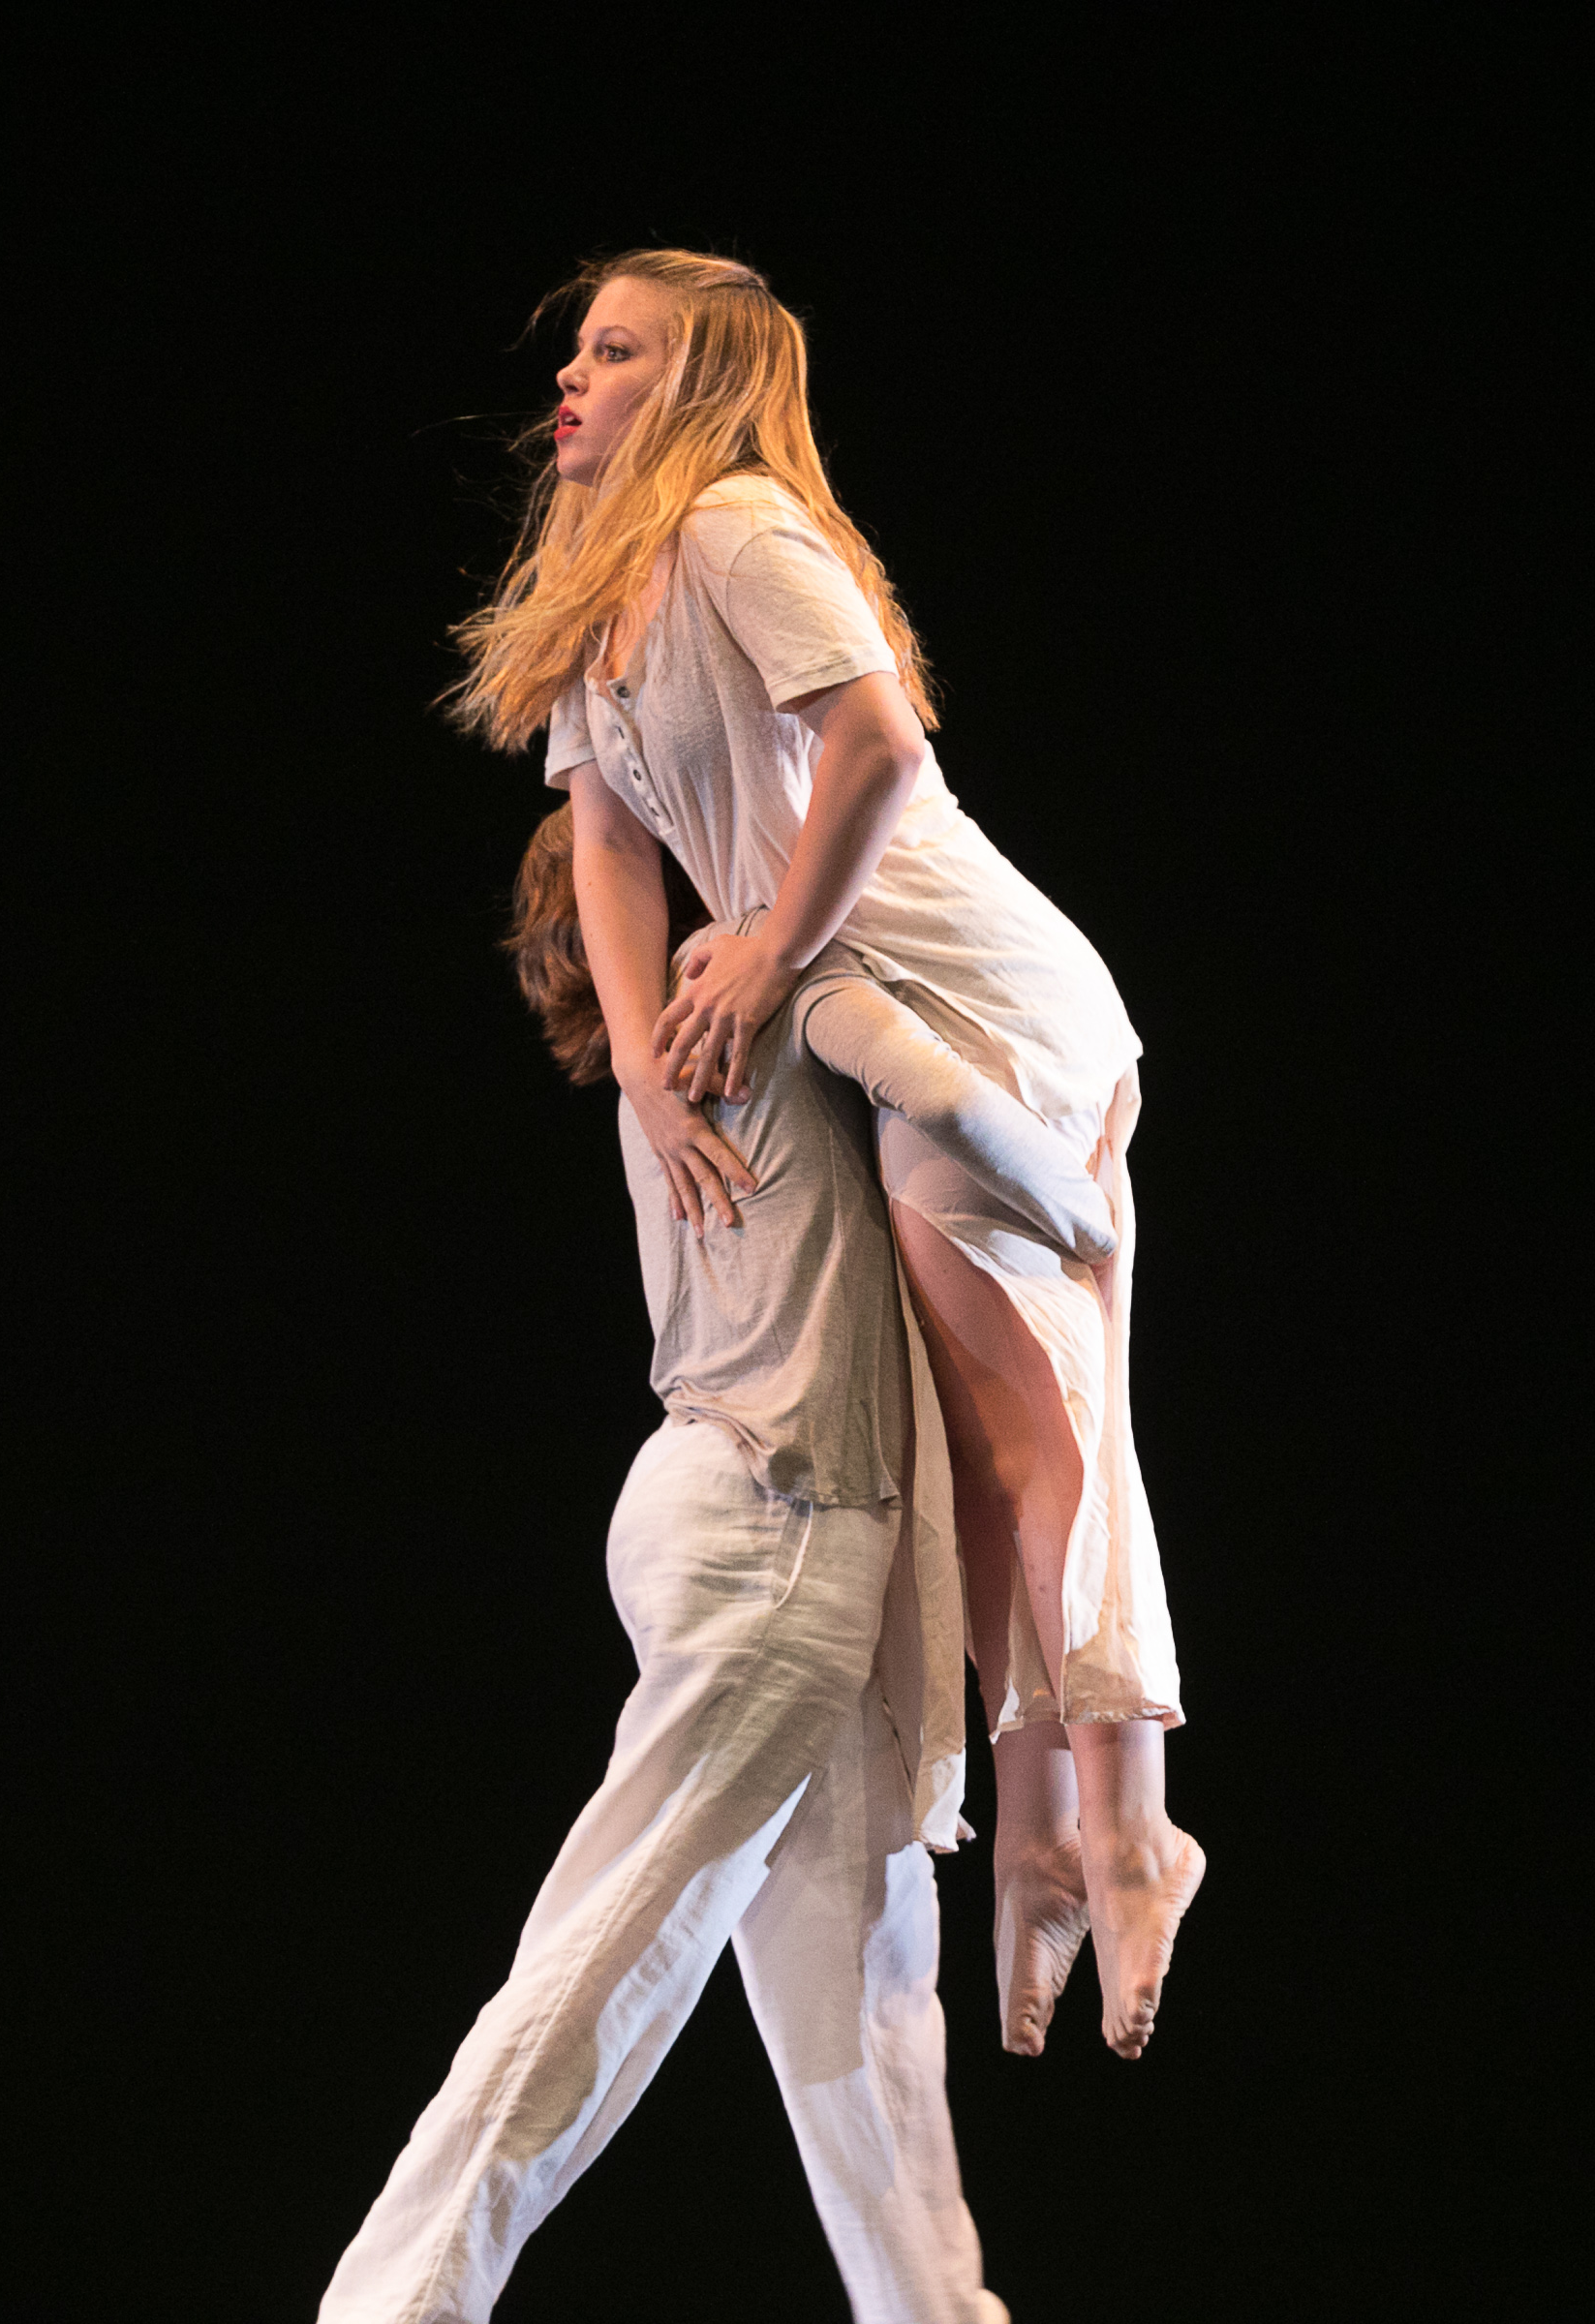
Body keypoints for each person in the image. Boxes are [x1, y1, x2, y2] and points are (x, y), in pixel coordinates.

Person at [441, 248, 1205, 2062]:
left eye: (614, 351)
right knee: (985, 1438)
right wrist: (645, 1064)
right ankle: (1049, 1835)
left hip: (961, 985)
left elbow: (876, 743)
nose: (571, 379)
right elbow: (607, 840)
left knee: (1032, 1424)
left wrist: (775, 948)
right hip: (859, 990)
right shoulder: (613, 585)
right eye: (578, 350)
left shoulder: (737, 527)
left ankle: (1125, 1826)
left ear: (698, 382)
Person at [317, 817, 1107, 2324]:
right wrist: (1089, 1210)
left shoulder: (676, 1036)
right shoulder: (733, 978)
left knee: (866, 2020)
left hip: (748, 1512)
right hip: (780, 1521)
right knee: (613, 1948)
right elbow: (946, 1095)